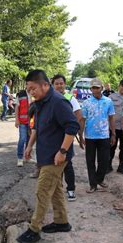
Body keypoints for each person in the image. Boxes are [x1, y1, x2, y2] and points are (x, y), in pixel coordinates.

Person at [16, 70, 80, 243]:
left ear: (45, 85)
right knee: (57, 189)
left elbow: (72, 126)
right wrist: (29, 146)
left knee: (42, 190)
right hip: (45, 155)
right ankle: (61, 222)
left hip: (57, 156)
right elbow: (36, 127)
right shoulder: (40, 102)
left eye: (33, 88)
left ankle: (34, 229)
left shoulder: (59, 102)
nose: (31, 92)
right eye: (28, 89)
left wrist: (62, 151)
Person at [79, 78, 116, 193]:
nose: (95, 90)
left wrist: (113, 134)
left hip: (104, 136)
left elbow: (111, 118)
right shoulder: (86, 103)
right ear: (90, 89)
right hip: (90, 137)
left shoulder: (108, 102)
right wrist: (80, 135)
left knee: (104, 160)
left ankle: (99, 179)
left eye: (97, 87)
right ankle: (93, 185)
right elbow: (82, 119)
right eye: (93, 88)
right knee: (90, 161)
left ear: (102, 88)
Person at [52, 74, 82, 202]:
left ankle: (71, 189)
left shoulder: (70, 98)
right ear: (53, 85)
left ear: (65, 84)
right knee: (54, 163)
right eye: (57, 83)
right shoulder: (50, 98)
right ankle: (57, 189)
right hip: (53, 136)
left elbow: (78, 115)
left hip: (67, 136)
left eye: (61, 83)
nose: (59, 85)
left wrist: (71, 128)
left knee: (67, 163)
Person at [108, 79, 123, 175]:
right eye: (122, 85)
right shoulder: (111, 97)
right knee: (110, 147)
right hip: (113, 127)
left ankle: (121, 166)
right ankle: (108, 166)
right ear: (119, 86)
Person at [15, 88, 31, 167]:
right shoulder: (20, 94)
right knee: (22, 139)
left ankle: (27, 157)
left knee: (30, 140)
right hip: (22, 122)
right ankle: (20, 158)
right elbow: (17, 107)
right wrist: (16, 120)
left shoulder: (35, 92)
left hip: (32, 122)